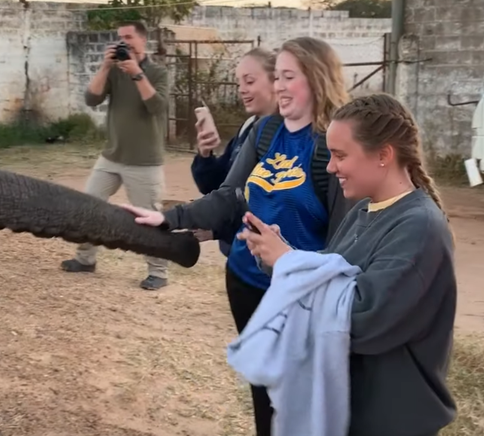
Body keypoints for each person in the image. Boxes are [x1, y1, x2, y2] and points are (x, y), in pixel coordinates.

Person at [121, 36, 352, 436]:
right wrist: (168, 218)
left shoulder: (330, 146)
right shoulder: (266, 130)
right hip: (246, 282)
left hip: (299, 297)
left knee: (300, 395)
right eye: (276, 76)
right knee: (263, 389)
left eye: (288, 77)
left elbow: (343, 242)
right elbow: (230, 196)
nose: (278, 86)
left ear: (316, 79)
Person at [237, 93, 457, 436]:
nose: (330, 167)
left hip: (391, 420)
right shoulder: (363, 210)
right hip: (354, 411)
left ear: (383, 154)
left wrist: (289, 262)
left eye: (340, 155)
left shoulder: (419, 227)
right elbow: (333, 269)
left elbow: (362, 317)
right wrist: (277, 256)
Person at [60, 20, 170, 290]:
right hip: (111, 156)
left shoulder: (157, 72)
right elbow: (91, 99)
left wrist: (136, 73)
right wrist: (105, 67)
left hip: (144, 160)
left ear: (143, 40)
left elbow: (156, 106)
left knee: (149, 217)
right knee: (87, 206)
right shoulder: (114, 72)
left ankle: (159, 272)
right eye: (120, 37)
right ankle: (85, 259)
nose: (124, 42)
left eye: (129, 37)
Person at [191, 47, 278, 256]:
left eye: (249, 81)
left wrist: (217, 229)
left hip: (265, 260)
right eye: (239, 82)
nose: (241, 89)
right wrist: (205, 155)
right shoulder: (249, 126)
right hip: (237, 254)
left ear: (276, 81)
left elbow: (266, 205)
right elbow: (220, 188)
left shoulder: (288, 136)